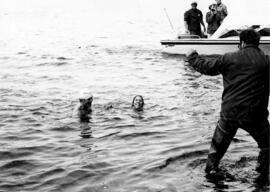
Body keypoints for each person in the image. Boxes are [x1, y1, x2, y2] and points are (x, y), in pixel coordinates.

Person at [185, 29, 269, 178]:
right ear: (258, 43)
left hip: (230, 113)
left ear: (241, 42)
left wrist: (192, 57)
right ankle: (261, 174)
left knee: (217, 149)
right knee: (267, 145)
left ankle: (210, 173)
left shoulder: (229, 58)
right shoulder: (267, 61)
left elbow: (207, 67)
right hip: (256, 115)